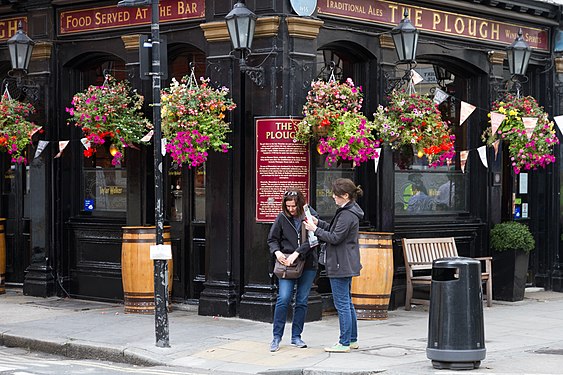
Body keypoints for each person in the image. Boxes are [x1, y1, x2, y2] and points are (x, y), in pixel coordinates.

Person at [303, 178, 363, 353]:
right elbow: (335, 230)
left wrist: (315, 230)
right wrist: (319, 223)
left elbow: (335, 238)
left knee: (342, 304)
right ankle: (352, 340)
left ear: (345, 195)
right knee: (347, 303)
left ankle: (344, 342)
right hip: (345, 262)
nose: (333, 198)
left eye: (336, 195)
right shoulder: (349, 211)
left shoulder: (346, 214)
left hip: (340, 263)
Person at [267, 190, 318, 352]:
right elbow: (272, 239)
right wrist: (277, 252)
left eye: (293, 206)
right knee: (283, 298)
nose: (291, 209)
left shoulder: (309, 214)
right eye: (288, 206)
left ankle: (296, 336)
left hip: (307, 263)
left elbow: (313, 240)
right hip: (287, 264)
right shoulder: (281, 217)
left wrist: (297, 253)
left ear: (300, 203)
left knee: (302, 300)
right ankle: (276, 337)